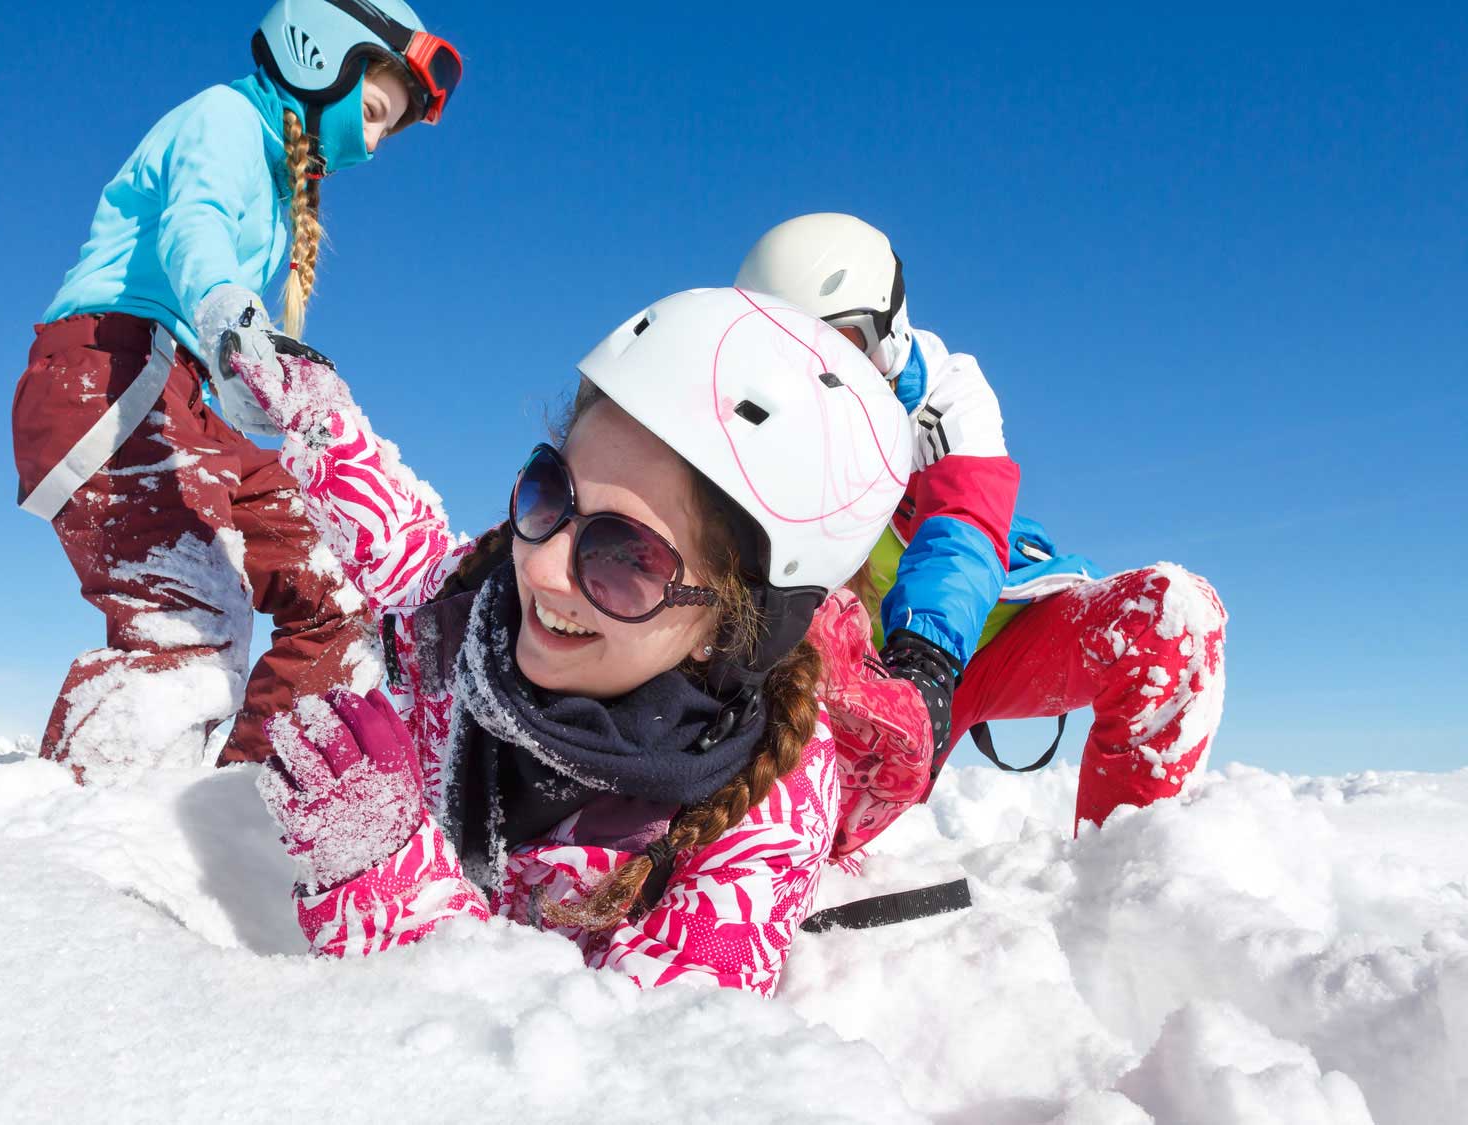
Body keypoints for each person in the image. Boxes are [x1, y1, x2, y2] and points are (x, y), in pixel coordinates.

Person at [235, 287, 916, 993]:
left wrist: (383, 874)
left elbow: (617, 1067)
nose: (544, 566)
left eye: (624, 557)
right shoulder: (481, 603)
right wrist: (311, 410)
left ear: (731, 628)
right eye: (547, 492)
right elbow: (398, 538)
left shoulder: (765, 826)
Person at [9, 2, 462, 784]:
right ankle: (83, 841)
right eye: (381, 112)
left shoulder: (282, 196)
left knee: (338, 589)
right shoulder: (224, 120)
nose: (379, 142)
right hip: (109, 374)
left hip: (177, 397)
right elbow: (197, 224)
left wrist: (250, 378)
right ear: (323, 57)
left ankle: (233, 811)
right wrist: (228, 315)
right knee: (193, 622)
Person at [736, 213, 1228, 830]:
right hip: (863, 674)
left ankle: (1128, 890)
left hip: (976, 644)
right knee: (803, 818)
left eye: (844, 343)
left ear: (889, 325)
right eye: (795, 351)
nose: (825, 372)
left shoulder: (947, 394)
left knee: (1170, 619)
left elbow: (962, 524)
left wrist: (925, 662)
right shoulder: (763, 424)